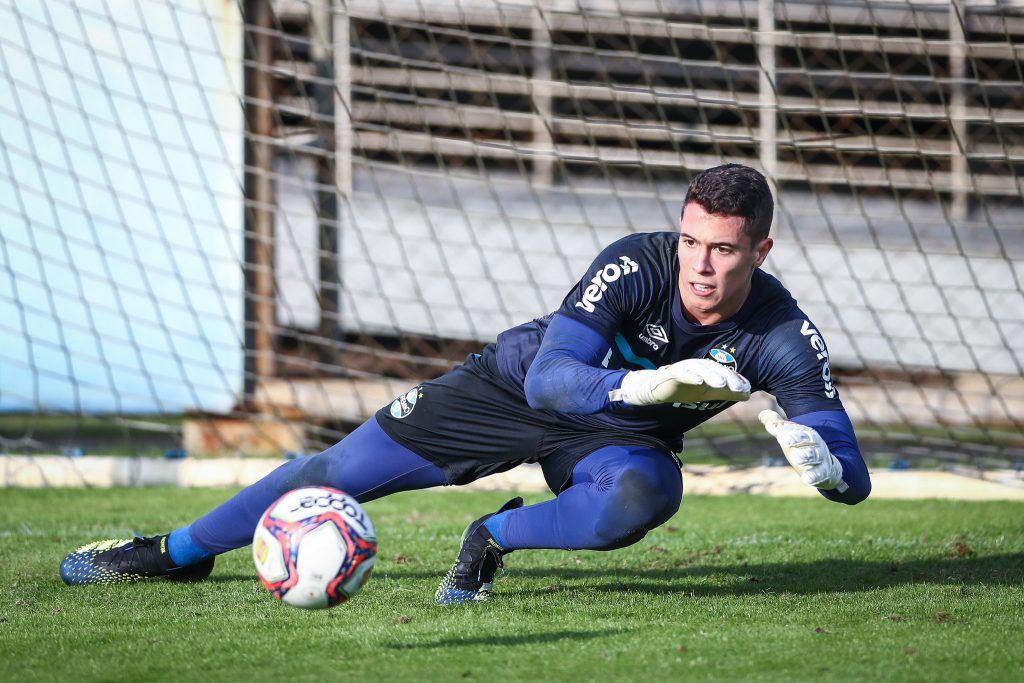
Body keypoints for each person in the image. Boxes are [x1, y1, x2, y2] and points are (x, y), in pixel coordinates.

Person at [60, 164, 871, 603]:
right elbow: (555, 380)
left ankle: (492, 539)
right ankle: (177, 551)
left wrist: (829, 467)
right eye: (691, 239)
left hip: (621, 442)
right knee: (331, 473)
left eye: (723, 250)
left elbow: (851, 473)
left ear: (759, 253)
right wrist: (645, 387)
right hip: (513, 387)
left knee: (643, 500)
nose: (700, 261)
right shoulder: (636, 261)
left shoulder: (781, 333)